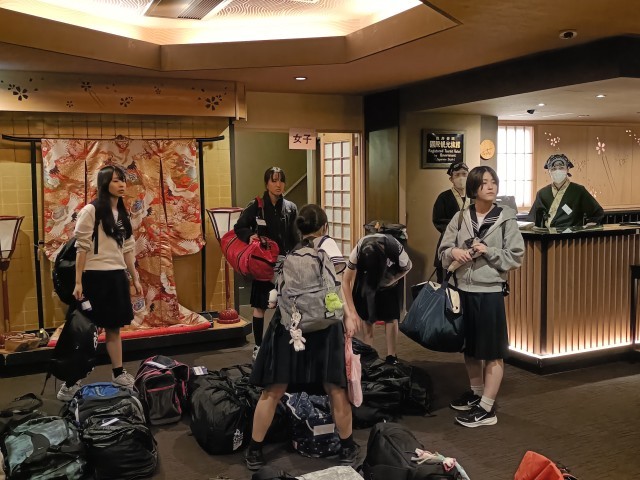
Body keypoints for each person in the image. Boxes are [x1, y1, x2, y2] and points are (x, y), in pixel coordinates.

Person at [244, 204, 359, 470]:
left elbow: (276, 292)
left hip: (290, 326)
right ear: (325, 227)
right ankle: (347, 448)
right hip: (324, 327)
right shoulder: (328, 248)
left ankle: (254, 450)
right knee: (335, 389)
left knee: (273, 390)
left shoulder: (289, 254)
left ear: (300, 228)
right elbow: (337, 289)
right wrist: (348, 316)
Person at [439, 165, 524, 428]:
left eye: (493, 182)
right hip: (463, 290)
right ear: (473, 187)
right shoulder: (461, 217)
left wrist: (489, 251)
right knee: (471, 348)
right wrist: (454, 252)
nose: (491, 186)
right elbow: (443, 250)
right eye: (484, 182)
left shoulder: (506, 218)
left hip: (489, 292)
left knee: (492, 351)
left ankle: (487, 408)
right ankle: (476, 394)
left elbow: (516, 256)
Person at [57, 165, 142, 401]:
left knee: (114, 328)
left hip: (116, 277)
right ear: (104, 184)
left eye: (123, 180)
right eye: (115, 181)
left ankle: (118, 373)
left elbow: (128, 249)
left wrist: (135, 278)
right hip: (93, 277)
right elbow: (81, 248)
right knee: (85, 331)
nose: (121, 184)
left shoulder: (123, 213)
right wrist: (78, 282)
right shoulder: (91, 210)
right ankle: (71, 382)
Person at [234, 167, 298, 361]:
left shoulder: (291, 207)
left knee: (286, 306)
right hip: (264, 263)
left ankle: (283, 344)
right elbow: (239, 227)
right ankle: (258, 346)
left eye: (281, 181)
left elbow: (295, 236)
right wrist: (249, 235)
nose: (278, 185)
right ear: (266, 184)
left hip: (285, 263)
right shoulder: (256, 205)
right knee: (260, 306)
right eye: (274, 181)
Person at [342, 231, 412, 365]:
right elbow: (346, 281)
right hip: (366, 282)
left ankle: (392, 355)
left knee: (391, 317)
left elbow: (407, 267)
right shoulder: (359, 249)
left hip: (389, 279)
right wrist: (352, 311)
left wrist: (392, 279)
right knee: (368, 318)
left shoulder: (395, 248)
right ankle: (368, 355)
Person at [527, 153, 604, 228]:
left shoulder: (579, 190)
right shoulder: (542, 193)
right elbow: (533, 218)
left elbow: (597, 212)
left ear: (567, 169)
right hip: (549, 234)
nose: (557, 171)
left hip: (572, 234)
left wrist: (588, 227)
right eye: (553, 169)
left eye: (561, 168)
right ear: (549, 171)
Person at [433, 161, 471, 283]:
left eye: (464, 174)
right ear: (451, 179)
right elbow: (438, 220)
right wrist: (457, 229)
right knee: (445, 283)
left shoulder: (475, 197)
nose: (461, 178)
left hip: (471, 245)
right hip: (449, 242)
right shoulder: (443, 198)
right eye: (457, 175)